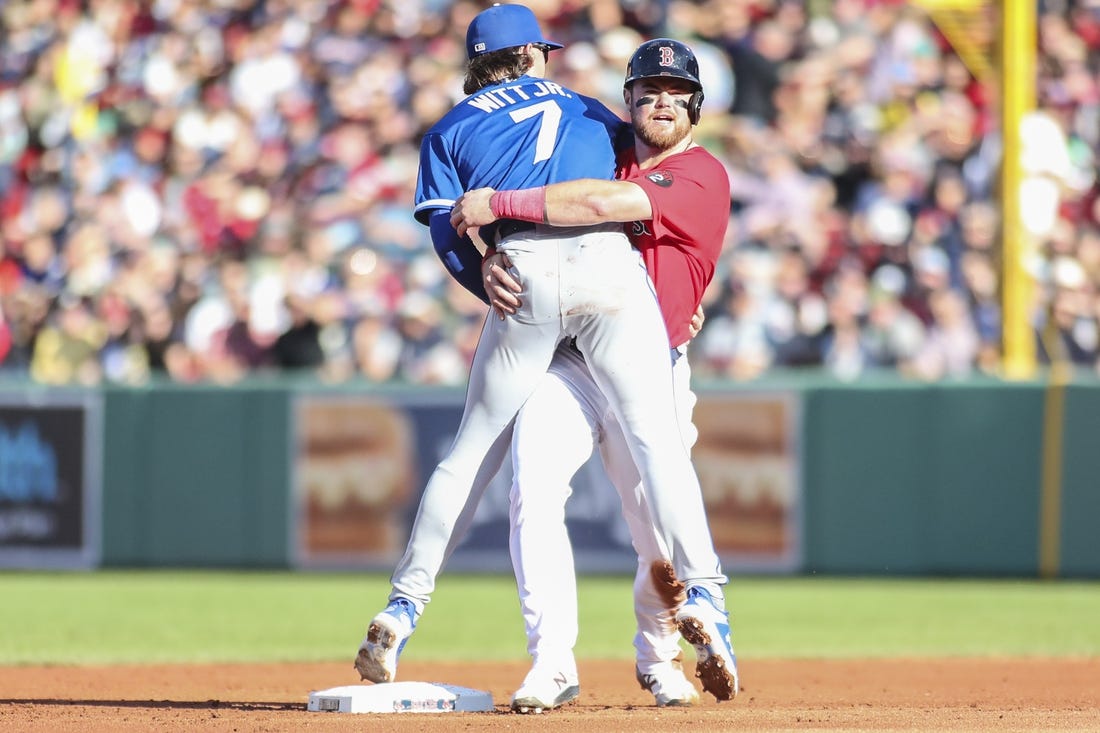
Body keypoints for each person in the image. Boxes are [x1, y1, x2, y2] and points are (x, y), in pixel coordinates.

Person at [354, 4, 733, 708]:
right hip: (611, 294)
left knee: (472, 457)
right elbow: (616, 185)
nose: (657, 102)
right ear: (532, 53)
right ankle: (693, 602)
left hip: (531, 286)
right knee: (643, 466)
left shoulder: (451, 126)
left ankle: (405, 605)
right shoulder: (591, 114)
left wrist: (481, 272)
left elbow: (446, 227)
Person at [452, 38, 737, 710]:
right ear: (629, 102)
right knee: (533, 486)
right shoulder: (600, 152)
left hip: (653, 362)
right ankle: (551, 660)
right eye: (647, 90)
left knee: (658, 540)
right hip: (571, 364)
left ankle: (660, 652)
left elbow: (605, 204)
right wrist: (489, 252)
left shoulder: (702, 172)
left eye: (674, 91)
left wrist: (498, 204)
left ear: (695, 106)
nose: (660, 100)